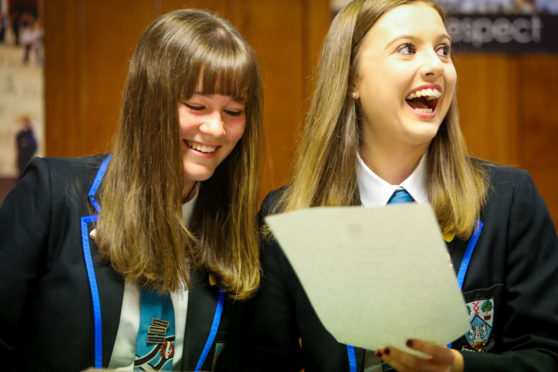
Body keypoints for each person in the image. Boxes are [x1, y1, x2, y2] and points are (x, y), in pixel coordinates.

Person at [244, 0, 558, 371]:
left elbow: (546, 356)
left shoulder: (510, 199)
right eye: (407, 49)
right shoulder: (289, 216)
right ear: (351, 80)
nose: (435, 66)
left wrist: (457, 367)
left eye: (443, 49)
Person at [0, 8, 262, 371]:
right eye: (196, 106)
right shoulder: (51, 196)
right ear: (149, 103)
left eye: (233, 111)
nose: (216, 128)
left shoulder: (237, 229)